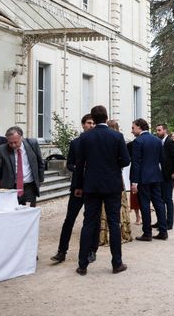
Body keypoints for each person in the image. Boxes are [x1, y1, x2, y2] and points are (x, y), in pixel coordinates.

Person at [72, 105, 130, 275]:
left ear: (94, 119)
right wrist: (113, 166)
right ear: (106, 118)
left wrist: (78, 186)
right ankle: (116, 263)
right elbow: (126, 160)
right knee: (114, 223)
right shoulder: (117, 136)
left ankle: (82, 265)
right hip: (112, 185)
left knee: (88, 223)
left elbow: (79, 164)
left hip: (91, 185)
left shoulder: (85, 137)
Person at [51, 114, 98, 264]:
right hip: (78, 186)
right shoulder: (75, 143)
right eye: (89, 123)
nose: (91, 126)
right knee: (69, 219)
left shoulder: (99, 142)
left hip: (94, 187)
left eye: (93, 123)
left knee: (92, 221)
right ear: (83, 124)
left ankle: (92, 250)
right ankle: (61, 251)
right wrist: (77, 168)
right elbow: (69, 163)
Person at [131, 118, 168, 241]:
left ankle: (147, 233)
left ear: (139, 127)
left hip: (143, 177)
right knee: (159, 202)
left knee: (145, 204)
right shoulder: (157, 140)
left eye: (133, 128)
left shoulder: (138, 141)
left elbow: (136, 163)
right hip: (156, 175)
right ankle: (163, 231)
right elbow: (163, 159)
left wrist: (134, 181)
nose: (132, 131)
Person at [0, 126, 45, 207]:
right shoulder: (2, 149)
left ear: (21, 138)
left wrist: (39, 180)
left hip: (29, 187)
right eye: (10, 143)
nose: (13, 145)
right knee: (11, 214)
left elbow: (40, 162)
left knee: (28, 214)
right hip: (10, 188)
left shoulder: (32, 144)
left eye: (16, 142)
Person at [155, 123, 174, 231]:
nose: (157, 132)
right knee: (160, 199)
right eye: (157, 130)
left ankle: (169, 223)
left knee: (167, 199)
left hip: (168, 174)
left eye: (159, 130)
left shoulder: (169, 142)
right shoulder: (160, 142)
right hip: (160, 174)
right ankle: (161, 221)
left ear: (165, 130)